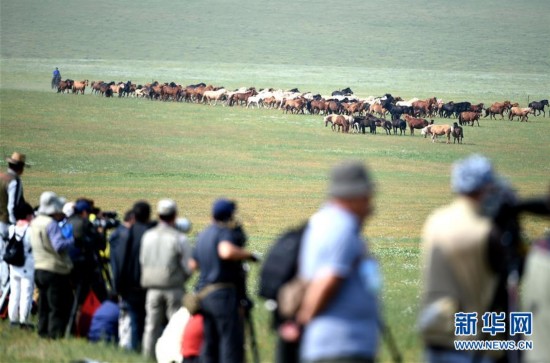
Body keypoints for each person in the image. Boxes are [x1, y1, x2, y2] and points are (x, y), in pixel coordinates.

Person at [418, 154, 503, 363]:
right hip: (474, 338)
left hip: (436, 333)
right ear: (487, 187)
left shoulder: (435, 220)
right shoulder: (486, 229)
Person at [295, 160, 380, 363]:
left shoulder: (326, 221)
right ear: (354, 196)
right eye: (367, 196)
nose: (370, 203)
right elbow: (328, 279)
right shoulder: (341, 228)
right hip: (342, 347)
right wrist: (305, 319)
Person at [191, 198, 259, 363]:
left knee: (210, 342)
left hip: (203, 295)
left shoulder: (203, 234)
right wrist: (249, 255)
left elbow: (192, 265)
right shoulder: (224, 232)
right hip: (222, 295)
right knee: (230, 342)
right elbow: (226, 252)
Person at [139, 199, 192, 359]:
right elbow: (188, 266)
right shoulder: (179, 238)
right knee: (176, 327)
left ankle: (147, 358)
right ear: (175, 216)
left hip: (152, 288)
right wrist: (182, 278)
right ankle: (173, 358)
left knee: (151, 327)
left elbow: (142, 260)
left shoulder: (148, 235)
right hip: (173, 288)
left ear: (158, 215)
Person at [30, 191, 75, 339]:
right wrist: (73, 240)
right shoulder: (51, 224)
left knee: (43, 303)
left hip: (38, 268)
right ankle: (54, 334)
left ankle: (42, 331)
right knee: (56, 305)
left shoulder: (35, 222)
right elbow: (59, 246)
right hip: (53, 269)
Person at [111, 200, 153, 351]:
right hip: (147, 285)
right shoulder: (150, 233)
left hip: (130, 286)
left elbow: (121, 263)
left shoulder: (126, 234)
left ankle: (135, 350)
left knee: (134, 320)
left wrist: (117, 286)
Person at [1, 152, 28, 295]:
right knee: (6, 256)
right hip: (6, 223)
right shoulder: (14, 181)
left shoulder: (1, 177)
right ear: (20, 167)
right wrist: (14, 224)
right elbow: (12, 206)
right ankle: (5, 290)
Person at [7, 202, 35, 329]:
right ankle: (24, 320)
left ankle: (13, 319)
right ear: (28, 215)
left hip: (13, 265)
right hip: (27, 265)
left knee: (14, 293)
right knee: (26, 294)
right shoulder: (30, 230)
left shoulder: (11, 228)